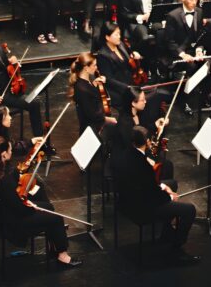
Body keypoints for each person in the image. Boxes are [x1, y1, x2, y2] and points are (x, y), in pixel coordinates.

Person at [0, 135, 83, 269]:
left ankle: (54, 242)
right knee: (56, 219)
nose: (12, 152)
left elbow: (12, 182)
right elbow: (20, 208)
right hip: (11, 222)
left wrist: (22, 170)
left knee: (48, 205)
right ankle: (62, 256)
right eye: (10, 150)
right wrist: (32, 206)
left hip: (1, 214)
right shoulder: (4, 181)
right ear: (3, 155)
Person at [115, 126, 200, 264]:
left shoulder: (125, 155)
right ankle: (177, 247)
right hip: (142, 209)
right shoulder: (143, 165)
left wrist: (163, 186)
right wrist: (170, 197)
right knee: (189, 210)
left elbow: (146, 185)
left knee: (171, 183)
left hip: (125, 201)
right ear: (148, 142)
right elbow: (152, 195)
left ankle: (166, 231)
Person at [97, 21, 145, 109]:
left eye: (119, 33)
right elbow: (109, 79)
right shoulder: (103, 55)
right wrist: (127, 87)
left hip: (131, 83)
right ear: (107, 37)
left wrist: (134, 54)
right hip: (119, 89)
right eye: (116, 34)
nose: (119, 36)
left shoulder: (121, 44)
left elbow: (130, 55)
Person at [69, 52, 117, 135]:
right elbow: (93, 115)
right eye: (94, 65)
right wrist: (109, 120)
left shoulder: (86, 82)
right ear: (86, 68)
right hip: (92, 131)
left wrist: (94, 86)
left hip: (94, 127)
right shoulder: (82, 89)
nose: (96, 67)